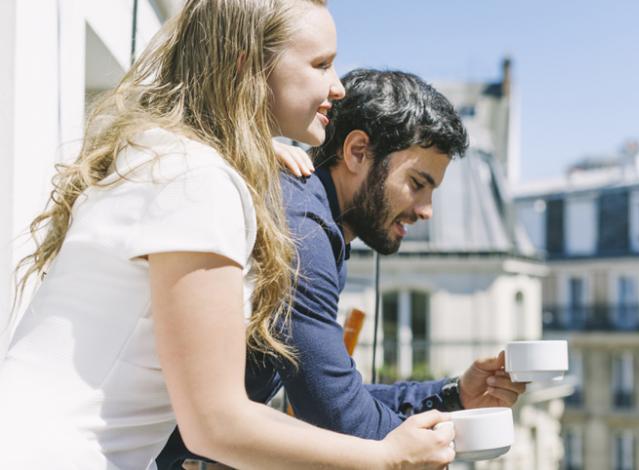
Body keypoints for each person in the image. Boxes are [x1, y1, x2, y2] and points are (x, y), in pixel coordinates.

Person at [0, 1, 455, 469]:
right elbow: (217, 424)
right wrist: (383, 459)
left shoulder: (170, 159)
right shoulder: (195, 180)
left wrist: (250, 151)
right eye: (321, 64)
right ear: (249, 66)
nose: (337, 86)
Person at [157, 69, 527, 468]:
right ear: (357, 152)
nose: (426, 211)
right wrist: (456, 432)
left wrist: (454, 395)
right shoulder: (303, 234)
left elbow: (334, 393)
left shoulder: (317, 225)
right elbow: (344, 420)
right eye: (417, 183)